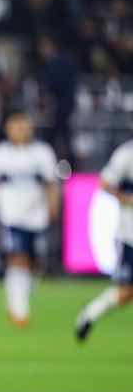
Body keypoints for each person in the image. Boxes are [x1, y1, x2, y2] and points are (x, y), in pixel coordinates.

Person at [0, 110, 60, 327]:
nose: (21, 130)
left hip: (36, 216)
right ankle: (18, 309)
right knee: (17, 258)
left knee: (34, 262)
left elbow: (51, 184)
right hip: (10, 215)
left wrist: (53, 206)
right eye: (16, 125)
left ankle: (18, 293)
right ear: (8, 128)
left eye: (24, 125)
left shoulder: (43, 153)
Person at [74, 137, 133, 341]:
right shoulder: (127, 154)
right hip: (130, 234)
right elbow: (105, 183)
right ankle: (90, 313)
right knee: (126, 292)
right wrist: (127, 199)